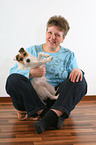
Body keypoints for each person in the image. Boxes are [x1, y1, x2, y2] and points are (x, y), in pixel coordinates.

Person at [5, 15, 87, 134]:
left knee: (81, 81)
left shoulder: (69, 54)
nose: (52, 37)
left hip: (57, 98)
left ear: (63, 38)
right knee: (12, 80)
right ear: (46, 32)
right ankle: (52, 116)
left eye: (57, 35)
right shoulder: (32, 50)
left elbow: (75, 76)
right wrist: (31, 73)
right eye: (50, 33)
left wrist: (78, 70)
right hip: (33, 97)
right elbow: (13, 72)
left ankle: (46, 118)